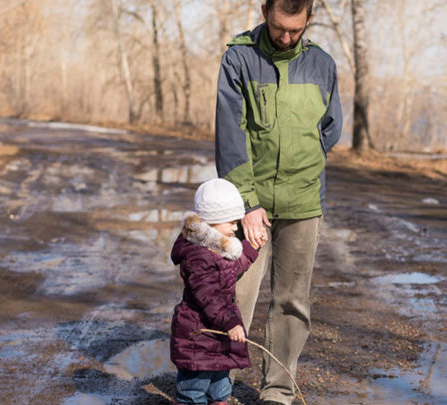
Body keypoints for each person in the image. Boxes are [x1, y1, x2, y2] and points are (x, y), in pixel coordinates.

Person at [214, 0, 342, 403]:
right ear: (266, 11)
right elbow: (230, 137)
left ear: (309, 19)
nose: (285, 37)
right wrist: (248, 203)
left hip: (303, 203)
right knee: (235, 295)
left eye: (295, 31)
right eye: (278, 28)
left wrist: (304, 162)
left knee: (291, 301)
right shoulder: (239, 58)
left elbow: (331, 128)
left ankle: (278, 391)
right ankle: (219, 384)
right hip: (248, 206)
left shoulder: (322, 64)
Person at [169, 178, 264, 405]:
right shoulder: (198, 255)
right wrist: (230, 323)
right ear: (212, 222)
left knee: (220, 385)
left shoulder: (219, 247)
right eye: (231, 222)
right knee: (194, 387)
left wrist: (251, 248)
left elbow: (233, 269)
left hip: (217, 334)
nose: (235, 227)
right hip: (198, 334)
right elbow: (208, 296)